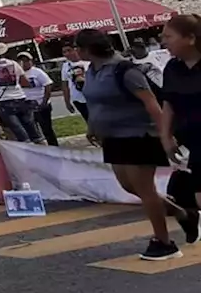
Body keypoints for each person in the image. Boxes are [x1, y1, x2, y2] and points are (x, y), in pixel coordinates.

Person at [77, 27, 180, 260]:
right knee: (128, 186)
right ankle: (184, 214)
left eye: (78, 47)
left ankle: (164, 242)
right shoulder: (92, 70)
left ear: (86, 49)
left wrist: (166, 136)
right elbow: (94, 102)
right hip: (112, 137)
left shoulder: (124, 70)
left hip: (139, 135)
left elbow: (152, 104)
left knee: (145, 189)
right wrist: (93, 126)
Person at [157, 13, 201, 245]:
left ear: (191, 38)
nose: (164, 42)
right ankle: (190, 216)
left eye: (169, 36)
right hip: (191, 140)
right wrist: (165, 136)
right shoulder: (173, 68)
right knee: (186, 196)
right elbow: (168, 104)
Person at [0, 40, 45, 144]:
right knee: (34, 131)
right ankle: (46, 150)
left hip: (3, 101)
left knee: (19, 133)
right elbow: (25, 83)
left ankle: (28, 154)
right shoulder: (14, 63)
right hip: (20, 98)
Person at [19, 52, 58, 146]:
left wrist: (44, 102)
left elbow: (48, 85)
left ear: (31, 61)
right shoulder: (19, 74)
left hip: (40, 103)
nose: (24, 63)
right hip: (27, 105)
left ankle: (54, 147)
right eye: (21, 61)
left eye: (26, 60)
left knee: (46, 129)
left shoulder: (37, 72)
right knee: (32, 130)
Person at [61, 40, 90, 121]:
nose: (67, 54)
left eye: (69, 50)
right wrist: (67, 102)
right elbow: (65, 85)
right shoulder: (65, 66)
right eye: (64, 52)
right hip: (77, 99)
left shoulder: (87, 62)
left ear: (75, 49)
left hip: (91, 97)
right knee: (88, 120)